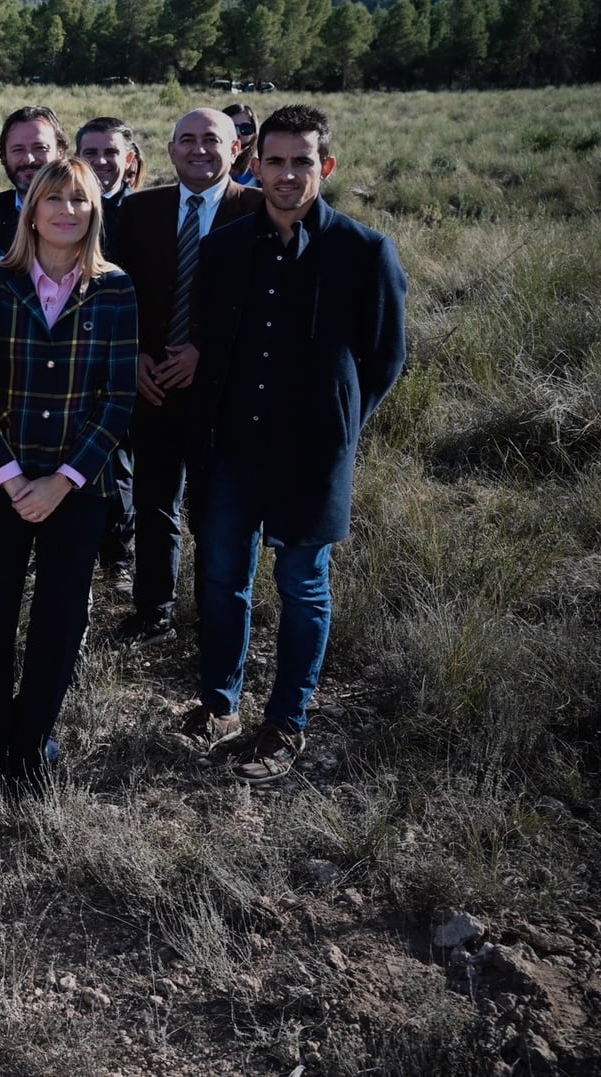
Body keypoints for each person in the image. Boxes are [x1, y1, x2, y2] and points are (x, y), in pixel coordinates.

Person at [180, 105, 407, 783]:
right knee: (222, 579)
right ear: (254, 164)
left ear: (325, 166)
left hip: (311, 461)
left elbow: (385, 357)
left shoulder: (364, 252)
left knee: (302, 587)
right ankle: (219, 704)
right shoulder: (224, 249)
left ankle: (286, 722)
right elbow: (212, 346)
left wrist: (338, 428)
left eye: (301, 161)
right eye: (274, 161)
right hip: (230, 452)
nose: (286, 174)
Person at [0, 158, 137, 783]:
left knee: (59, 621)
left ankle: (32, 744)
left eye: (80, 201)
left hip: (76, 487)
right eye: (54, 199)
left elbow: (118, 399)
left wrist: (63, 480)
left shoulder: (115, 288)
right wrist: (11, 479)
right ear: (31, 210)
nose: (67, 210)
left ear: (95, 212)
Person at [105, 108, 263, 646]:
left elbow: (264, 309)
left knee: (217, 509)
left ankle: (216, 611)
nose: (199, 150)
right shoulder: (138, 210)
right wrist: (133, 357)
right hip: (152, 384)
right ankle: (154, 609)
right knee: (154, 502)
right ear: (169, 152)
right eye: (187, 140)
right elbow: (116, 294)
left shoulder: (260, 210)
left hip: (225, 392)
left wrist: (208, 354)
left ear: (237, 149)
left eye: (212, 140)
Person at [75, 116, 146, 577]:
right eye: (91, 153)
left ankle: (118, 555)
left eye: (111, 153)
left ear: (129, 159)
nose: (101, 161)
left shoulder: (146, 214)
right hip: (69, 358)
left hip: (127, 355)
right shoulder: (66, 207)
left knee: (120, 460)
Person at [0, 106, 67, 254]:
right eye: (18, 150)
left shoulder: (94, 212)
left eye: (40, 148)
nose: (29, 160)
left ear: (60, 152)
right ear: (4, 156)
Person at [222, 101, 261, 184]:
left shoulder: (261, 167)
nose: (238, 133)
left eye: (246, 128)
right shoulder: (207, 164)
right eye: (232, 127)